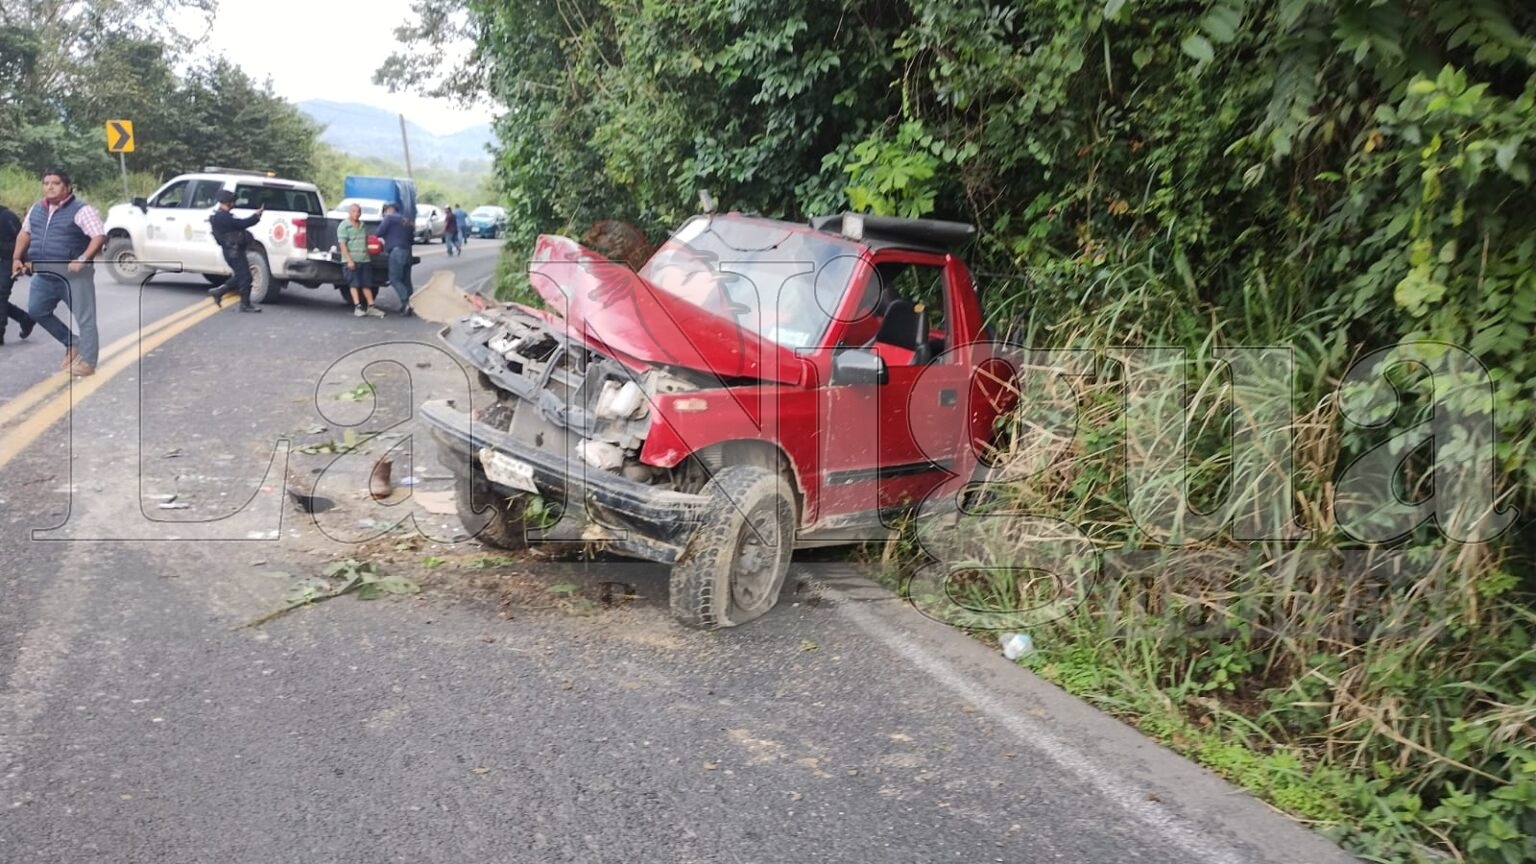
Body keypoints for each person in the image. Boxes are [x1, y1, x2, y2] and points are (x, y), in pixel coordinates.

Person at [10, 169, 105, 376]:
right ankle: (72, 342)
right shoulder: (37, 208)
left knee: (85, 319)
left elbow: (98, 236)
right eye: (46, 183)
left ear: (68, 187)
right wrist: (17, 258)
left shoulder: (82, 210)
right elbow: (25, 233)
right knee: (36, 311)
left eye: (55, 183)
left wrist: (83, 259)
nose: (50, 187)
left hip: (73, 276)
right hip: (44, 275)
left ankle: (88, 362)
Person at [208, 190, 265, 312]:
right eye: (232, 201)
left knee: (242, 276)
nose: (233, 203)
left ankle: (219, 291)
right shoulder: (222, 217)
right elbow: (242, 224)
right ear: (227, 202)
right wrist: (256, 216)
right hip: (233, 251)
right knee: (245, 277)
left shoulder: (222, 216)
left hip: (233, 251)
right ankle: (244, 304)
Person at [338, 202, 383, 317]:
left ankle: (371, 306)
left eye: (358, 212)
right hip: (352, 260)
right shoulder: (344, 226)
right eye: (353, 211)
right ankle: (357, 306)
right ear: (349, 212)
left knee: (366, 284)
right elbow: (342, 245)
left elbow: (366, 241)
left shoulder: (362, 225)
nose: (356, 214)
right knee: (354, 284)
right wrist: (349, 260)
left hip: (364, 259)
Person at [0, 202, 37, 345]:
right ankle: (24, 319)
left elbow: (22, 240)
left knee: (1, 294)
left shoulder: (6, 216)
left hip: (9, 260)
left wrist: (25, 262)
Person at [375, 202, 415, 315]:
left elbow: (379, 232)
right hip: (408, 251)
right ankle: (410, 303)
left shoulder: (389, 218)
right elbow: (412, 239)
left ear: (389, 210)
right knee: (406, 280)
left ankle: (405, 302)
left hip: (397, 251)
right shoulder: (406, 220)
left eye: (384, 211)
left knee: (394, 278)